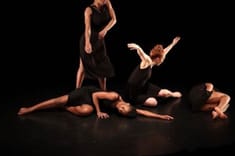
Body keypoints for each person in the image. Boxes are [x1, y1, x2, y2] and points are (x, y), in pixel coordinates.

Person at [18, 86, 174, 120]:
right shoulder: (114, 97)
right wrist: (98, 111)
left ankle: (66, 108)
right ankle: (30, 109)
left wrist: (161, 117)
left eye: (121, 112)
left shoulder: (127, 109)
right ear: (127, 104)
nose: (120, 109)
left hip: (90, 103)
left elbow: (142, 112)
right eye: (123, 108)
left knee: (85, 112)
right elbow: (96, 96)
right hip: (88, 93)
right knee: (57, 100)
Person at [125, 36, 182, 107]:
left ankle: (172, 94)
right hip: (133, 93)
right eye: (163, 59)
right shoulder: (147, 62)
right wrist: (138, 48)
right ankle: (140, 100)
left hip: (144, 87)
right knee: (153, 103)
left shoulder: (153, 62)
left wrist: (172, 44)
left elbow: (164, 52)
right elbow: (144, 57)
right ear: (158, 59)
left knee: (165, 93)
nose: (163, 60)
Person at [76, 0, 117, 90]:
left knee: (102, 66)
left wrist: (105, 29)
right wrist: (87, 42)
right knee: (82, 66)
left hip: (99, 40)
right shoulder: (89, 10)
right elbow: (87, 28)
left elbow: (114, 19)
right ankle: (76, 91)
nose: (104, 0)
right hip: (88, 39)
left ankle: (104, 91)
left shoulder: (107, 3)